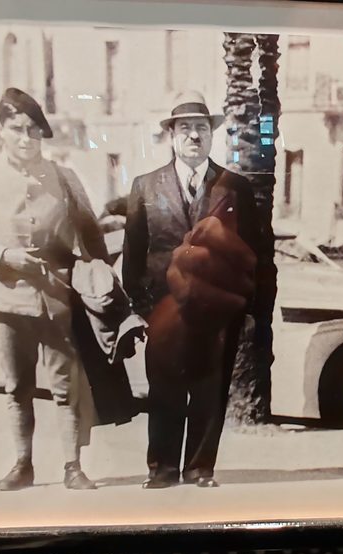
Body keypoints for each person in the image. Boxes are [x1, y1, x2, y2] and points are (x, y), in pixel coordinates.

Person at [0, 88, 108, 491]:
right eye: (17, 129)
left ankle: (73, 467)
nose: (26, 138)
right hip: (4, 298)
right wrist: (4, 256)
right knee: (17, 387)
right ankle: (23, 465)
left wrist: (97, 274)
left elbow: (90, 233)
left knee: (65, 387)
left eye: (33, 130)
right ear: (1, 130)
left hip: (56, 297)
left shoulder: (64, 177)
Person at [115, 91, 274, 489]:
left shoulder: (234, 188)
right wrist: (142, 308)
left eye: (201, 128)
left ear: (211, 135)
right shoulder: (145, 187)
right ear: (171, 135)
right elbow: (133, 254)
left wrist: (249, 309)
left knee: (210, 389)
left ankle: (201, 468)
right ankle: (163, 469)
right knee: (164, 390)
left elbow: (256, 253)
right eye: (184, 128)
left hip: (219, 312)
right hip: (165, 310)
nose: (193, 136)